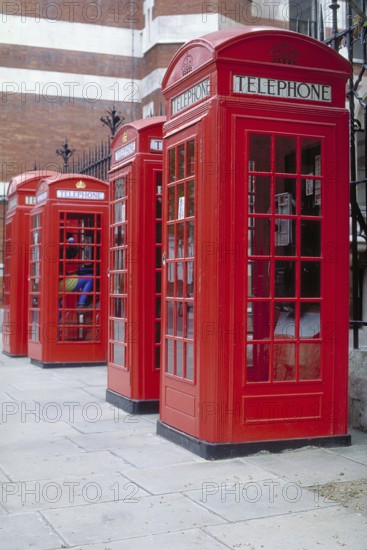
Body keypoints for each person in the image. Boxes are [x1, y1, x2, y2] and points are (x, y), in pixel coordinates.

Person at [59, 235, 93, 307]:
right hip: (59, 284)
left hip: (56, 283)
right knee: (90, 278)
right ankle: (81, 304)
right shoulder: (61, 247)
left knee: (57, 312)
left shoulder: (59, 246)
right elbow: (71, 251)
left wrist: (75, 272)